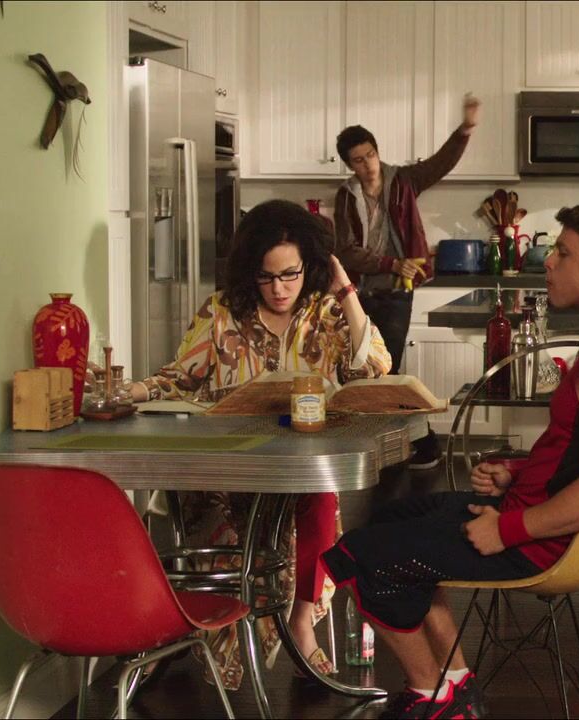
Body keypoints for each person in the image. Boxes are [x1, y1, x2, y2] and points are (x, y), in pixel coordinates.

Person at [321, 201, 579, 719]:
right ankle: (454, 683)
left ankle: (432, 698)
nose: (549, 262)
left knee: (365, 553)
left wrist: (507, 530)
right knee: (390, 518)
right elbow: (576, 455)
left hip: (537, 543)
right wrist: (517, 473)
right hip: (527, 512)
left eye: (563, 252)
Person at [130, 199, 392, 685]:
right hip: (227, 470)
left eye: (290, 275)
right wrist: (134, 392)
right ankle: (207, 627)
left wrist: (345, 289)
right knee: (216, 515)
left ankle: (302, 621)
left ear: (309, 266)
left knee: (319, 493)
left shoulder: (324, 311)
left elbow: (374, 366)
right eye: (266, 277)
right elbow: (178, 378)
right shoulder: (221, 311)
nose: (279, 289)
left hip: (297, 468)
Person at [331, 94, 481, 471]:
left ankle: (421, 445)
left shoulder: (404, 181)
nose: (367, 165)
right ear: (349, 165)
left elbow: (440, 163)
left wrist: (465, 129)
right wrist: (392, 262)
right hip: (359, 294)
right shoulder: (346, 197)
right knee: (369, 373)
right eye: (358, 160)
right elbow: (346, 251)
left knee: (387, 371)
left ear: (377, 152)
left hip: (397, 291)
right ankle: (401, 447)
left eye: (370, 155)